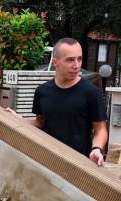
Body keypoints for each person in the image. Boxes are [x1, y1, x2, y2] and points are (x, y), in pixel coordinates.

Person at [32, 38, 107, 166]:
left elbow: (100, 129)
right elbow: (40, 122)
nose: (76, 65)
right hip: (47, 161)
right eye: (70, 60)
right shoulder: (42, 91)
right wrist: (17, 119)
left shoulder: (92, 93)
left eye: (79, 59)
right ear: (55, 62)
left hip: (79, 164)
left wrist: (96, 148)